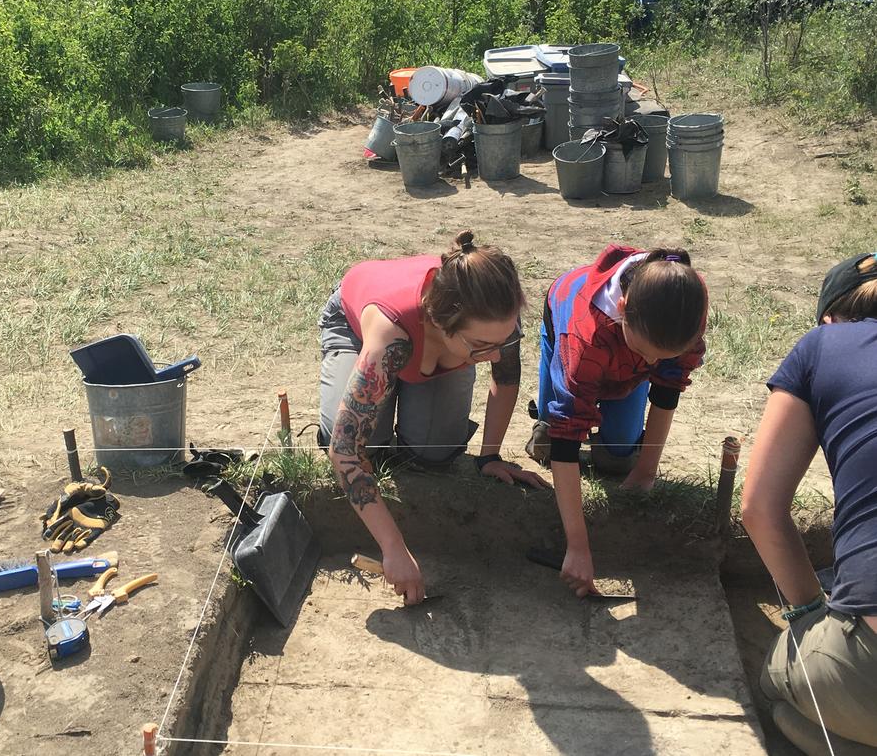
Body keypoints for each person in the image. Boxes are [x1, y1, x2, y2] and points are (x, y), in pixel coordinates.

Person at [317, 230, 545, 605]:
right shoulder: (391, 336)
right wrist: (393, 548)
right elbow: (345, 452)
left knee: (435, 453)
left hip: (432, 348)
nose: (493, 356)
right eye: (482, 347)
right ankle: (387, 389)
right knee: (363, 442)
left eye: (500, 343)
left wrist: (489, 457)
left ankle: (402, 391)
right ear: (442, 324)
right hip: (358, 329)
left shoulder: (495, 317)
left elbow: (505, 380)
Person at [741, 252, 877, 755]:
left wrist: (805, 612)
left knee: (779, 696)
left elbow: (758, 507)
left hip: (867, 681)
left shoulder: (824, 345)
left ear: (831, 318)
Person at [526, 245, 707, 596]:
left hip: (621, 353)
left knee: (619, 455)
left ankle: (621, 428)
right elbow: (568, 436)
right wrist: (577, 547)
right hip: (569, 321)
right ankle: (542, 422)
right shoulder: (582, 334)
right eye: (644, 351)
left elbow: (668, 387)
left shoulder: (687, 303)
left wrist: (645, 471)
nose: (653, 360)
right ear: (622, 309)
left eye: (662, 357)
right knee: (554, 433)